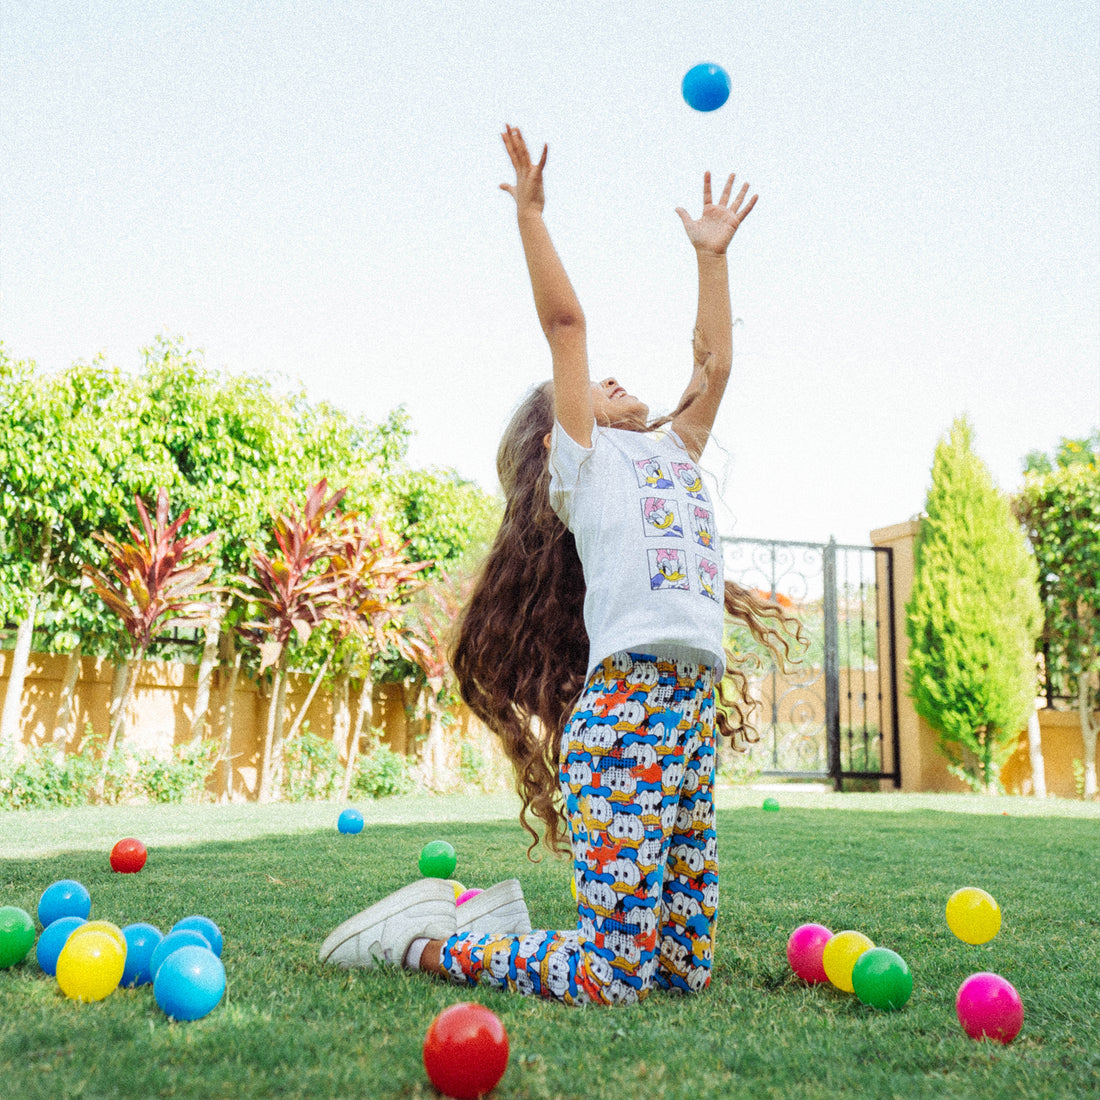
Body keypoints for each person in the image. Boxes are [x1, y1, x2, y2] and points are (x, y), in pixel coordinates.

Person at [319, 125, 803, 1005]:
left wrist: (711, 259)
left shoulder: (672, 452)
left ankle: (497, 931)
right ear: (562, 428)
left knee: (682, 975)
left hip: (686, 719)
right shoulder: (585, 466)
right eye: (593, 387)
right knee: (615, 977)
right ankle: (425, 946)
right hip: (627, 721)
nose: (612, 382)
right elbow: (568, 324)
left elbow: (715, 364)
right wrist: (532, 217)